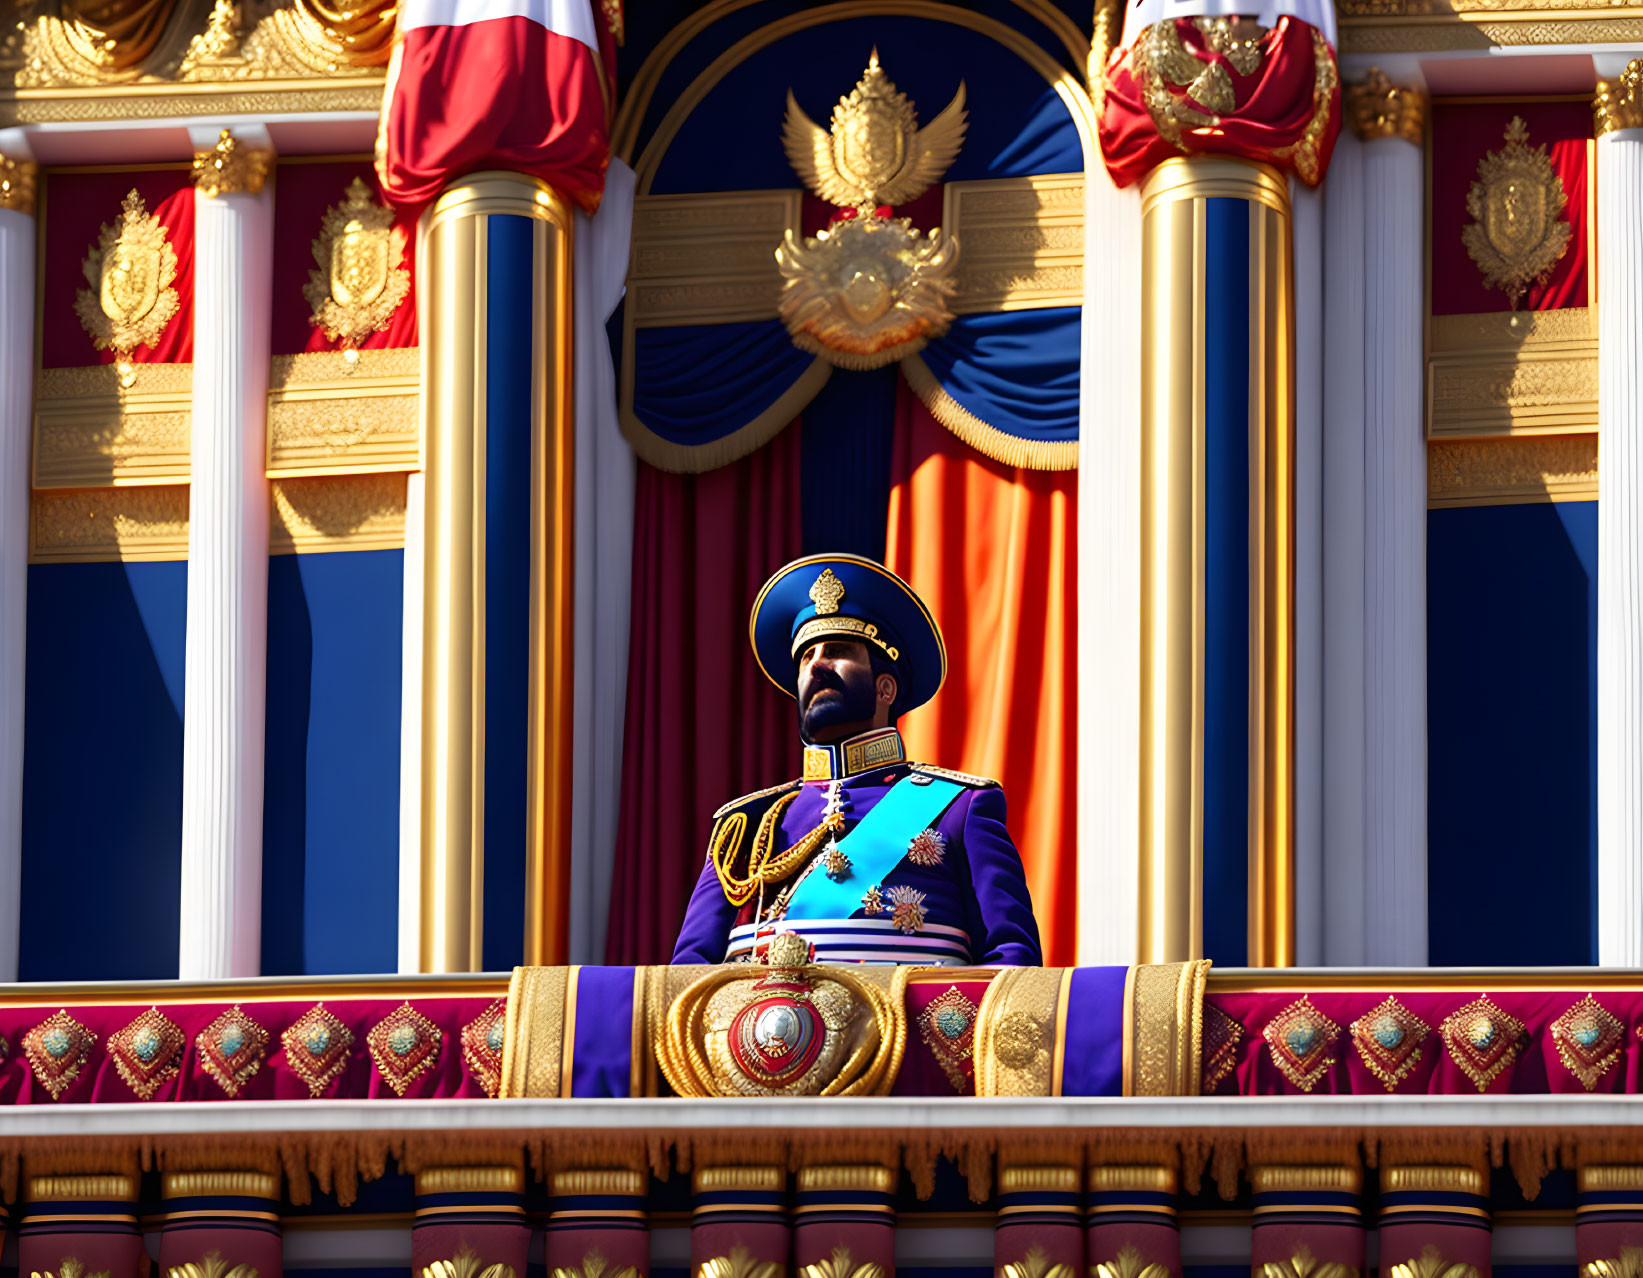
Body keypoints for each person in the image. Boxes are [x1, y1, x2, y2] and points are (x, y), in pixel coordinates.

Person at [670, 553, 1042, 966]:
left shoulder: (959, 808)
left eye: (836, 651)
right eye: (806, 658)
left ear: (885, 689)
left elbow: (1013, 963)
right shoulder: (745, 825)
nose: (816, 666)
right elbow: (689, 979)